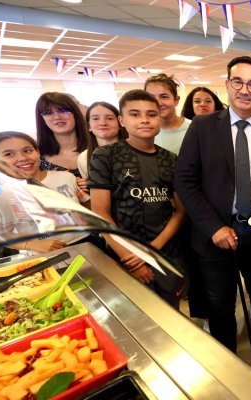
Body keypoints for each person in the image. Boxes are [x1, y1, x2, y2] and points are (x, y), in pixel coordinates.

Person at [174, 56, 251, 384]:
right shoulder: (203, 127)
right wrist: (214, 227)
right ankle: (227, 361)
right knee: (221, 303)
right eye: (237, 82)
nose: (244, 90)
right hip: (215, 233)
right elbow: (185, 180)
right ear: (226, 85)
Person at [88, 90, 186, 309]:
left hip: (165, 253)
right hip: (125, 254)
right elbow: (100, 213)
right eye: (135, 114)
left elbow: (180, 211)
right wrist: (130, 255)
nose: (144, 119)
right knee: (138, 317)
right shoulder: (106, 156)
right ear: (122, 120)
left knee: (172, 313)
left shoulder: (170, 159)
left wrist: (151, 250)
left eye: (151, 114)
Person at [0, 131, 89, 253]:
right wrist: (31, 245)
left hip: (87, 244)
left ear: (38, 152)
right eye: (9, 154)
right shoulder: (1, 196)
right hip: (44, 255)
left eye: (27, 150)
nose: (23, 158)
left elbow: (89, 208)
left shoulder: (66, 177)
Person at [35, 92, 89, 187]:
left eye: (63, 110)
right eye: (48, 113)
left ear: (75, 114)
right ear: (42, 119)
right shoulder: (37, 157)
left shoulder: (97, 147)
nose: (57, 117)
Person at [78, 102, 128, 179]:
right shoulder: (84, 158)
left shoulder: (135, 151)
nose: (102, 123)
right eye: (95, 118)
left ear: (120, 123)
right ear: (89, 127)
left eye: (109, 118)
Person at [144, 73, 191, 155]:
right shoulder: (143, 131)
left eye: (164, 96)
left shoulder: (194, 128)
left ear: (176, 100)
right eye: (151, 97)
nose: (158, 102)